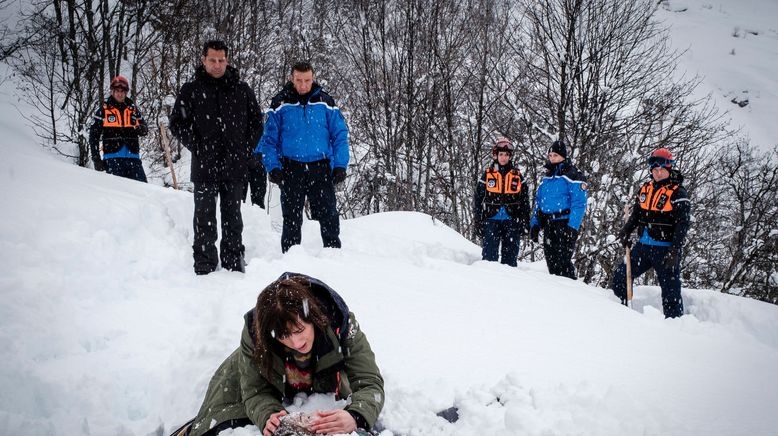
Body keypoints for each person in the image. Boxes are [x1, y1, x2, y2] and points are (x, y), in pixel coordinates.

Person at [177, 272, 384, 436]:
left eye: (299, 330)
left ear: (313, 318)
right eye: (284, 335)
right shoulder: (255, 334)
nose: (295, 343)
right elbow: (255, 391)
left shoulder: (340, 323)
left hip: (324, 381)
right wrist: (268, 415)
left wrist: (355, 416)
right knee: (221, 423)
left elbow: (369, 381)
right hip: (263, 378)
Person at [169, 40, 262, 275]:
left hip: (234, 166)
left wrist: (244, 148)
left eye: (221, 60)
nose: (218, 64)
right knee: (204, 217)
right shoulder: (191, 90)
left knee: (233, 217)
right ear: (204, 60)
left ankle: (233, 261)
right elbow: (177, 123)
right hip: (205, 166)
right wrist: (196, 145)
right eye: (213, 60)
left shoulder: (242, 89)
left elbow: (257, 123)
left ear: (227, 60)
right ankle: (204, 263)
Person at [256, 62, 349, 253]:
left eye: (307, 80)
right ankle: (291, 258)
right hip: (291, 168)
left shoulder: (326, 102)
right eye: (299, 80)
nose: (303, 85)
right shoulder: (280, 104)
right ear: (292, 78)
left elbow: (340, 135)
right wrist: (272, 166)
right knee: (291, 218)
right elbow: (269, 140)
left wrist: (340, 164)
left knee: (328, 215)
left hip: (321, 167)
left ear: (313, 78)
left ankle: (333, 256)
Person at [612, 148, 690, 318]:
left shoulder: (678, 193)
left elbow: (682, 225)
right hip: (644, 247)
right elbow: (636, 215)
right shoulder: (645, 189)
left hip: (666, 250)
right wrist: (626, 231)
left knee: (671, 293)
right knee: (620, 277)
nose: (658, 173)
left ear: (669, 168)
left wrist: (675, 250)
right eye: (655, 170)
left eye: (661, 169)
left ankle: (675, 326)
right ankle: (621, 314)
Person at [529, 140, 588, 279]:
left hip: (564, 224)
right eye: (550, 155)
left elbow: (579, 204)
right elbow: (539, 203)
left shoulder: (573, 175)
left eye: (555, 155)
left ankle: (571, 292)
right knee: (552, 263)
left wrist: (572, 228)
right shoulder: (547, 177)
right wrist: (535, 224)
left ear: (563, 156)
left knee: (563, 263)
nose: (552, 158)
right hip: (549, 225)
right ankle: (556, 295)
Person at [473, 139, 531, 266]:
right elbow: (478, 198)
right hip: (491, 219)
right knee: (489, 257)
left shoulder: (517, 176)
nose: (503, 158)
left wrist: (525, 221)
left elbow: (525, 201)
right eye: (501, 154)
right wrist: (478, 219)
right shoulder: (488, 174)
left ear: (510, 156)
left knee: (510, 259)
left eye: (506, 155)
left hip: (512, 220)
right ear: (496, 155)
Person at [88, 76, 149, 182]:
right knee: (117, 193)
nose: (120, 94)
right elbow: (94, 136)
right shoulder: (103, 110)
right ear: (112, 91)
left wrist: (140, 128)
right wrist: (96, 158)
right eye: (117, 91)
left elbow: (144, 129)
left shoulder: (133, 110)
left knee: (142, 190)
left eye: (122, 91)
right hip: (112, 158)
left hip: (133, 157)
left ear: (126, 92)